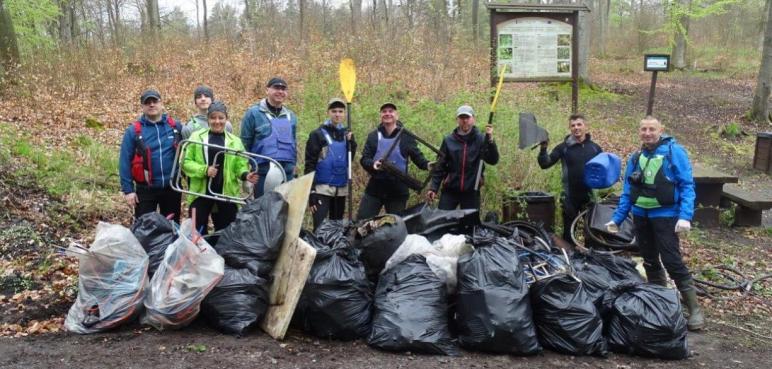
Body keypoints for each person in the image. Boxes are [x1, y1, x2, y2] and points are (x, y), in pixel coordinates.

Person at [605, 116, 703, 331]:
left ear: (661, 130)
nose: (647, 133)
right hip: (641, 215)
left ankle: (695, 310)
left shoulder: (673, 152)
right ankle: (661, 303)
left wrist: (685, 216)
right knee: (649, 260)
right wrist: (617, 219)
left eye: (651, 129)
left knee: (671, 260)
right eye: (643, 129)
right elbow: (628, 192)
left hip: (666, 215)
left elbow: (687, 184)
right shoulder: (636, 156)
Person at [182, 101, 258, 235]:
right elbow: (185, 162)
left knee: (226, 234)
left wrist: (246, 175)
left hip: (226, 194)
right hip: (200, 193)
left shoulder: (235, 142)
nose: (217, 121)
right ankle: (200, 256)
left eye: (221, 118)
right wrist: (204, 170)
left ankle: (223, 256)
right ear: (208, 119)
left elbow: (240, 165)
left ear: (226, 119)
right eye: (213, 117)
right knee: (197, 234)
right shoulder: (196, 137)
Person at [357, 102, 431, 220]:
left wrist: (427, 165)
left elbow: (418, 157)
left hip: (398, 190)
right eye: (384, 111)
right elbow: (364, 159)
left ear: (397, 115)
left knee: (396, 226)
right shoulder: (373, 136)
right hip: (375, 188)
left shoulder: (406, 136)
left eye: (391, 111)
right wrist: (373, 164)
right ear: (381, 115)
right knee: (361, 222)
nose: (387, 114)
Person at [537, 113, 603, 244]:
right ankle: (569, 260)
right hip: (570, 197)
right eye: (573, 125)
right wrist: (543, 149)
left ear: (586, 126)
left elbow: (606, 169)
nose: (576, 128)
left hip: (589, 196)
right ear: (570, 128)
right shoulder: (563, 147)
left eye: (579, 124)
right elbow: (545, 164)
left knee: (591, 232)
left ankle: (590, 258)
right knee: (568, 232)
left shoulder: (595, 148)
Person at [119, 89, 182, 223]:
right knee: (145, 229)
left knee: (172, 228)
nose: (152, 105)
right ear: (142, 106)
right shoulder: (134, 131)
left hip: (171, 188)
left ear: (161, 103)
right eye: (147, 102)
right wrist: (128, 190)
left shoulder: (175, 126)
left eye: (155, 101)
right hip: (145, 190)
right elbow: (124, 161)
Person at [426, 105, 499, 213]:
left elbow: (493, 160)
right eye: (462, 118)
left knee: (469, 226)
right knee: (441, 220)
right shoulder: (448, 140)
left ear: (473, 119)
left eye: (467, 118)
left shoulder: (481, 139)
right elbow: (439, 166)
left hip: (472, 192)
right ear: (457, 120)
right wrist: (433, 188)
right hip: (450, 191)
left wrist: (491, 140)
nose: (465, 121)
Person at [304, 98, 357, 230]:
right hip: (322, 188)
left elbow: (349, 160)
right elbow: (310, 164)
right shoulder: (317, 134)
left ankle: (333, 251)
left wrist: (352, 143)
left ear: (344, 114)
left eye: (340, 111)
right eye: (334, 111)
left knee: (336, 229)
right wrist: (311, 191)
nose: (337, 114)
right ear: (328, 112)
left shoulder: (347, 134)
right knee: (319, 228)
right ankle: (318, 250)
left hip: (341, 188)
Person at [240, 77, 298, 197]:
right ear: (267, 90)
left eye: (283, 89)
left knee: (285, 211)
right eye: (276, 88)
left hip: (287, 172)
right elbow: (244, 144)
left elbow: (294, 143)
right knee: (263, 210)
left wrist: (294, 167)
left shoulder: (291, 116)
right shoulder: (253, 113)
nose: (280, 91)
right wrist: (246, 173)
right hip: (262, 172)